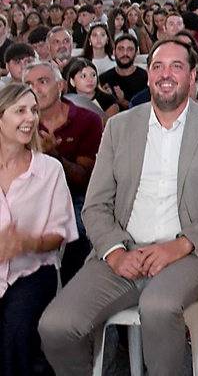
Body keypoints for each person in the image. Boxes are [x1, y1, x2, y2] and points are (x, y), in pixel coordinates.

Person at [37, 39, 198, 376]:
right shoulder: (120, 127)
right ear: (148, 76)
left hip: (189, 253)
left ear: (193, 76)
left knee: (158, 307)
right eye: (158, 66)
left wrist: (180, 245)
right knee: (57, 326)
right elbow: (95, 204)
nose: (166, 74)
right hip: (123, 252)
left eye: (176, 66)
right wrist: (116, 252)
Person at [0, 83, 79, 376]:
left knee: (17, 329)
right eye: (20, 111)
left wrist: (27, 243)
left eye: (33, 111)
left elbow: (60, 233)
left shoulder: (49, 170)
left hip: (32, 270)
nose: (30, 118)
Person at [23, 62, 102, 285]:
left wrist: (54, 155)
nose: (35, 89)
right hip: (24, 195)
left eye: (42, 82)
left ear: (60, 86)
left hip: (72, 196)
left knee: (76, 233)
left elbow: (85, 180)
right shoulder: (15, 121)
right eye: (28, 84)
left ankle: (73, 293)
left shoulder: (87, 120)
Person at [99, 34, 149, 110]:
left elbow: (146, 111)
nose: (125, 53)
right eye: (120, 49)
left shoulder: (146, 78)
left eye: (130, 49)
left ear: (136, 53)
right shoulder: (103, 79)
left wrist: (123, 101)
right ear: (114, 52)